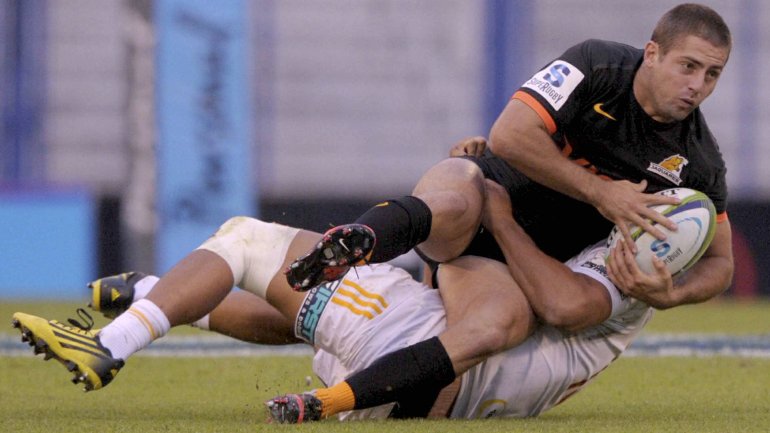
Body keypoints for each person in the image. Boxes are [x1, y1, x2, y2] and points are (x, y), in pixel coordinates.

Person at [280, 3, 735, 419]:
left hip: (510, 262)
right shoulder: (596, 65)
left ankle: (322, 399)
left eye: (712, 74)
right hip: (480, 195)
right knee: (459, 193)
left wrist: (671, 295)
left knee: (475, 342)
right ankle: (358, 243)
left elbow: (721, 263)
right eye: (688, 66)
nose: (697, 86)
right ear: (652, 53)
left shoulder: (699, 163)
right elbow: (509, 135)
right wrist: (602, 193)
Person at [12, 179, 664, 421]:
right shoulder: (610, 314)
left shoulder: (580, 293)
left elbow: (468, 274)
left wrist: (488, 207)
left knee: (243, 240)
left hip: (403, 350)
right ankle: (154, 294)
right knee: (309, 315)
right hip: (398, 394)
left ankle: (112, 341)